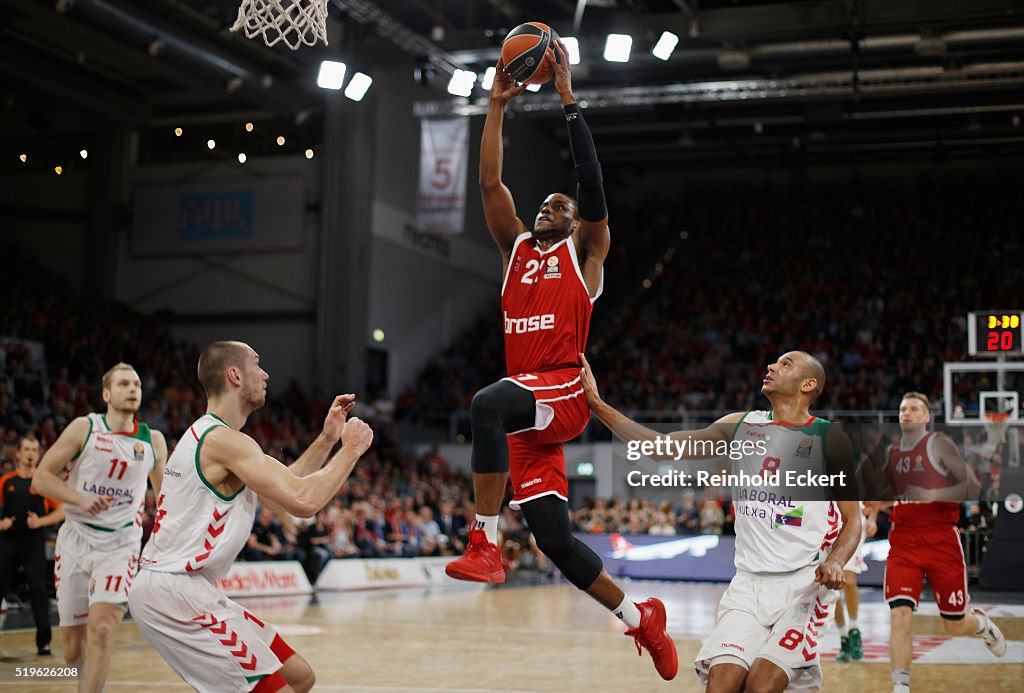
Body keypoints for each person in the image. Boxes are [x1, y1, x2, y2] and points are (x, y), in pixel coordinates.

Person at [443, 40, 677, 680]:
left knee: (484, 402)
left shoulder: (586, 256)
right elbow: (490, 182)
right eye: (545, 203)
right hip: (527, 416)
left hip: (563, 393)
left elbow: (593, 185)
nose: (551, 206)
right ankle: (640, 619)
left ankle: (485, 542)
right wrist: (494, 105)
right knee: (554, 540)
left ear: (579, 225)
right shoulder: (514, 249)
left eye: (561, 206)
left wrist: (569, 97)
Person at [582, 350, 863, 693]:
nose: (772, 366)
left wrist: (836, 561)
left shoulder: (828, 438)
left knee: (762, 685)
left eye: (785, 363)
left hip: (804, 586)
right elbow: (661, 448)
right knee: (721, 685)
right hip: (747, 585)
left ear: (808, 384)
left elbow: (853, 520)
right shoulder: (741, 426)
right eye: (775, 361)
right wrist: (597, 405)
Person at [127, 341, 373, 693]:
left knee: (299, 677)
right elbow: (304, 501)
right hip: (173, 591)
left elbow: (283, 495)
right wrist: (351, 451)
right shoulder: (222, 442)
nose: (266, 373)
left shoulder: (218, 438)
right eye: (257, 364)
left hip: (187, 587)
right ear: (235, 375)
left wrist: (327, 439)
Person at [32, 363, 168, 692]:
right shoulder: (85, 428)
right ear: (106, 394)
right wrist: (78, 499)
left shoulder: (153, 440)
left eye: (136, 383)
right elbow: (41, 478)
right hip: (75, 541)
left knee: (104, 629)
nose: (133, 388)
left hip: (120, 546)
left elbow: (165, 500)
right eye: (124, 383)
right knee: (73, 652)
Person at [869, 392, 1005, 693]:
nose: (907, 414)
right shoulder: (892, 452)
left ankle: (981, 626)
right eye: (903, 409)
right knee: (899, 613)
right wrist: (871, 510)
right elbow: (891, 497)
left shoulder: (938, 444)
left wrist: (932, 494)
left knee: (954, 623)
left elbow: (971, 485)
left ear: (926, 416)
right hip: (903, 541)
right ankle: (900, 686)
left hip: (940, 538)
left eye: (914, 409)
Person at [0, 436, 63, 656]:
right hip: (8, 541)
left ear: (38, 454)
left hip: (33, 541)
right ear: (17, 453)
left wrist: (41, 521)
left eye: (34, 450)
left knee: (38, 590)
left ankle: (43, 643)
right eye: (26, 449)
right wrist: (1, 523)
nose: (30, 453)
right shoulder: (6, 481)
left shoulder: (44, 481)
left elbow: (61, 510)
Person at [833, 502, 877, 662]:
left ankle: (854, 628)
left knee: (848, 580)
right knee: (831, 590)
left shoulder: (859, 477)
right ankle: (843, 637)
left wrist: (872, 518)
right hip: (826, 521)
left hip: (853, 520)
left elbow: (876, 499)